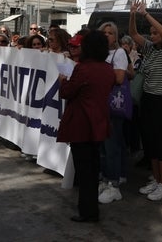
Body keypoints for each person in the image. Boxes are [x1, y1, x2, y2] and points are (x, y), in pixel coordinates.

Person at [57, 30, 114, 223]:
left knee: (84, 170)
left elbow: (67, 92)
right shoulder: (107, 68)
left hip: (81, 122)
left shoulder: (83, 69)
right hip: (99, 121)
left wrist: (62, 81)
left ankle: (88, 211)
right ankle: (90, 209)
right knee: (93, 166)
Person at [129, 0, 162, 202]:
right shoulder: (149, 49)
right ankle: (157, 180)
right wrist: (132, 14)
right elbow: (133, 34)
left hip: (161, 102)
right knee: (150, 143)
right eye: (151, 33)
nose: (152, 35)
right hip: (148, 100)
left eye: (155, 32)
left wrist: (146, 13)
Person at [98, 21, 130, 205]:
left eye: (110, 33)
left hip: (113, 105)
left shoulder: (119, 53)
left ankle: (114, 184)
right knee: (103, 146)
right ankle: (106, 178)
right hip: (100, 104)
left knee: (112, 146)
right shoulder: (100, 54)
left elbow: (119, 77)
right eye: (104, 32)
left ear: (116, 36)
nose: (107, 36)